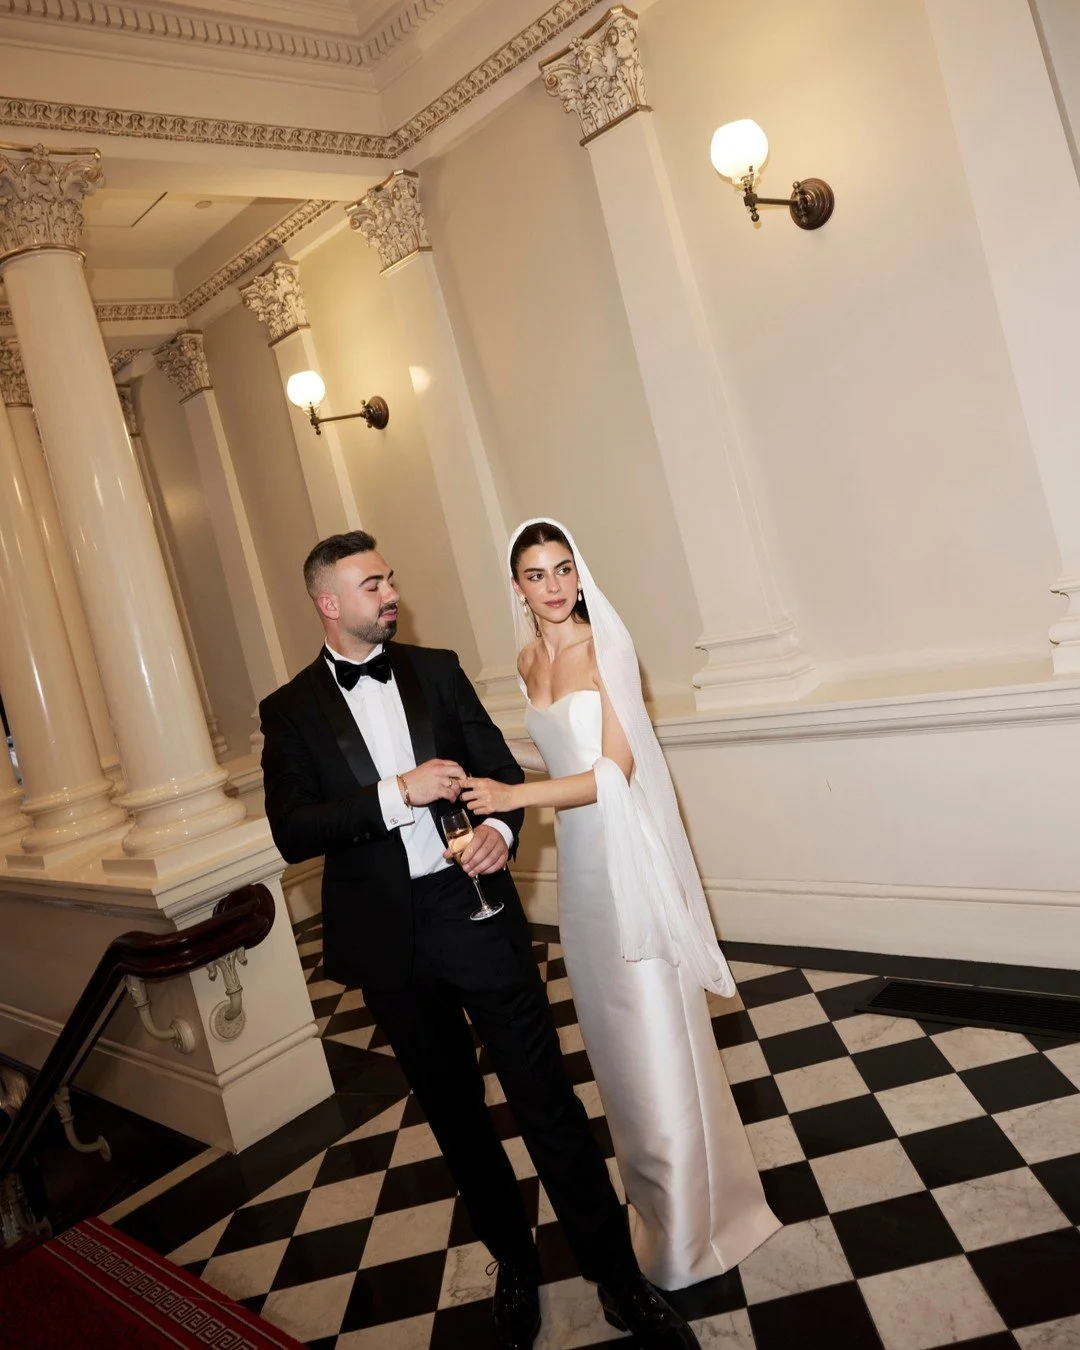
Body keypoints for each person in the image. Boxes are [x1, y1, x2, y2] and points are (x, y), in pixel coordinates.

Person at [259, 530, 701, 1350]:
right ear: (328, 603)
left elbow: (497, 772)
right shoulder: (288, 712)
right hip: (390, 944)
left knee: (549, 1102)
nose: (390, 593)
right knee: (459, 1121)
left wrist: (497, 830)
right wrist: (399, 792)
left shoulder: (438, 669)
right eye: (370, 585)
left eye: (389, 579)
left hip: (476, 916)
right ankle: (519, 1273)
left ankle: (618, 1279)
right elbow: (293, 830)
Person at [462, 520, 780, 1292]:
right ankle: (654, 1204)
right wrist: (492, 773)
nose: (555, 586)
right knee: (612, 1039)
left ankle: (698, 1224)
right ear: (517, 588)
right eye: (537, 575)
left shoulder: (606, 647)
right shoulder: (527, 656)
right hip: (581, 868)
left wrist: (514, 795)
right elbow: (558, 749)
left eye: (564, 569)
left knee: (654, 1026)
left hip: (625, 854)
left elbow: (616, 768)